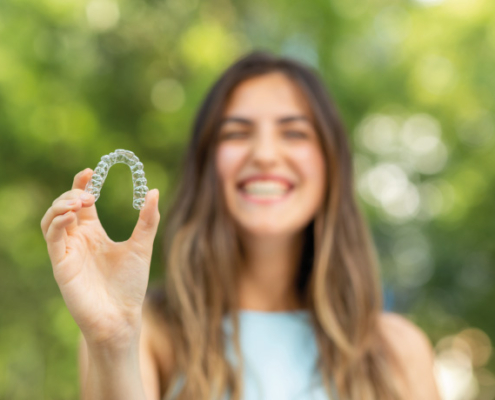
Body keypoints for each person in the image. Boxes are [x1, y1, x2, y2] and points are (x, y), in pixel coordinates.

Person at [41, 50, 441, 400]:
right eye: (237, 132)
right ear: (207, 166)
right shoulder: (144, 334)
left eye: (294, 132)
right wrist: (113, 344)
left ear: (330, 164)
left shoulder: (399, 351)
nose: (265, 154)